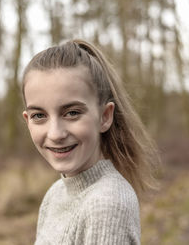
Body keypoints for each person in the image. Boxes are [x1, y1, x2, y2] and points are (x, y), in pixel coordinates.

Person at [21, 39, 159, 244]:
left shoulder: (107, 204)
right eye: (39, 116)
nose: (55, 133)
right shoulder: (55, 194)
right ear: (27, 120)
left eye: (72, 113)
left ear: (105, 116)